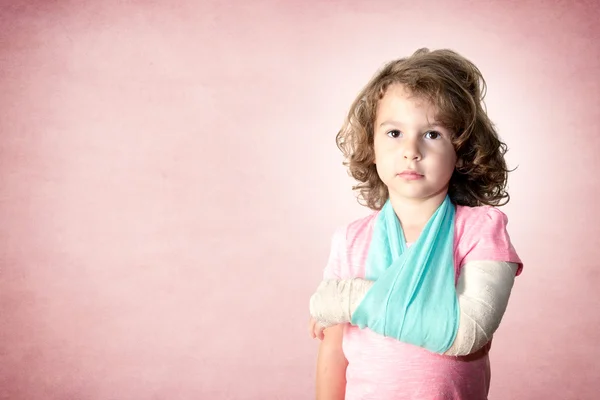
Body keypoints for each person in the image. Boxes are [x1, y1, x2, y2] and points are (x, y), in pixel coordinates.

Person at [307, 48, 523, 400]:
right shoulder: (351, 240)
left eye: (433, 134)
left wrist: (345, 299)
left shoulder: (480, 230)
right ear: (372, 146)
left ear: (462, 150)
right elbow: (333, 354)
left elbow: (467, 334)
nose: (411, 150)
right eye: (394, 133)